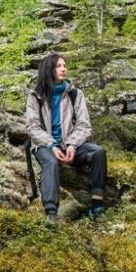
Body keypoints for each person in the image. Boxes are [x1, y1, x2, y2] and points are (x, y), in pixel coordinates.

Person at [25, 53, 108, 224]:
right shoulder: (35, 96)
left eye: (65, 65)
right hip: (44, 145)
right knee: (51, 162)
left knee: (98, 152)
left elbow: (84, 125)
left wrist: (71, 145)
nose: (64, 69)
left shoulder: (75, 94)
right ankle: (51, 212)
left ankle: (97, 204)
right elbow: (32, 127)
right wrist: (52, 145)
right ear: (49, 69)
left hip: (71, 144)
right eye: (59, 66)